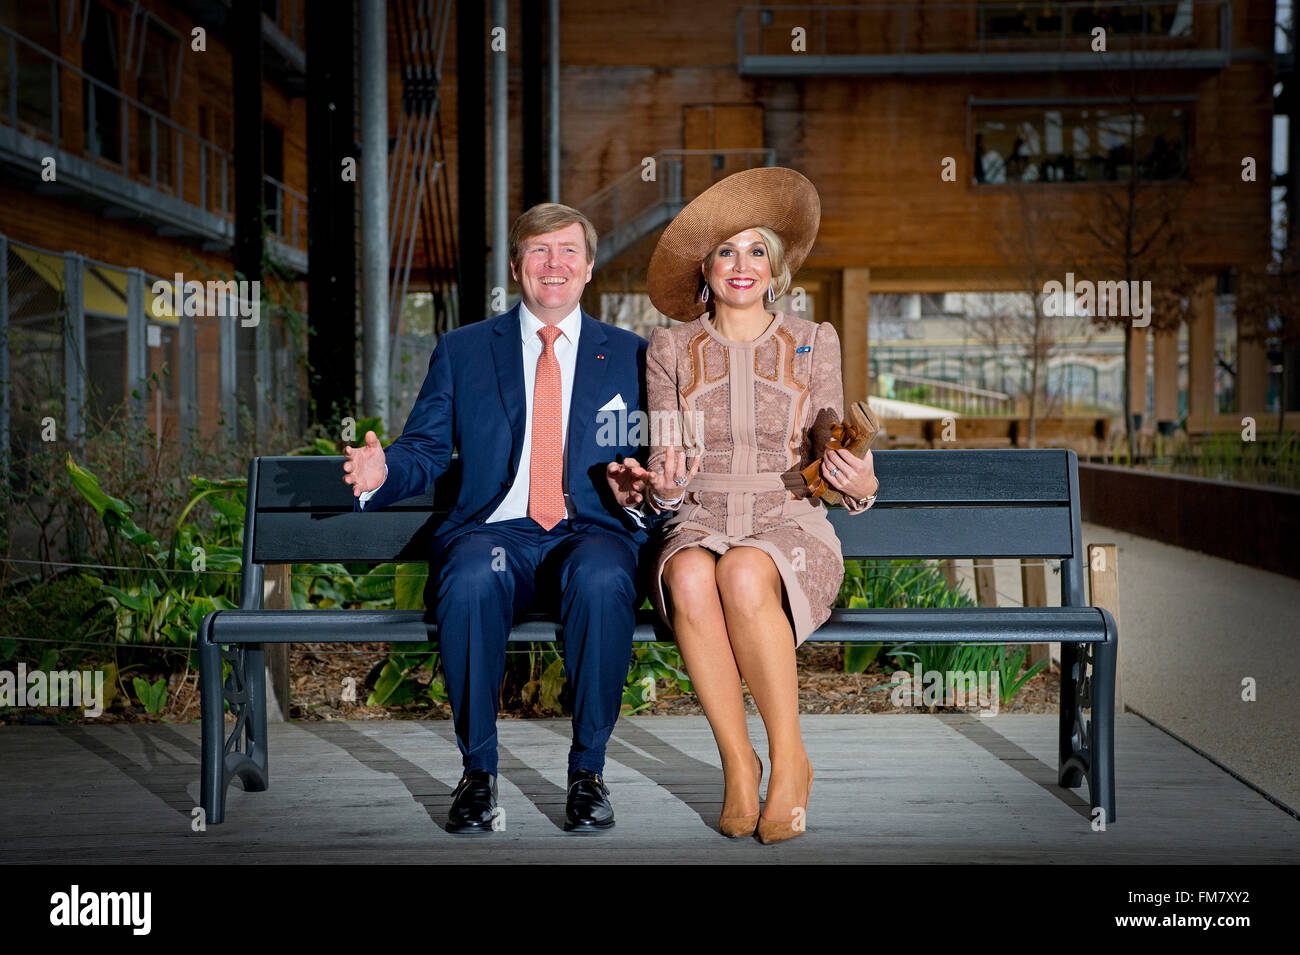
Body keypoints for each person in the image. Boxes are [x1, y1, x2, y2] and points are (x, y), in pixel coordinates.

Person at [343, 203, 662, 834]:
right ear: (517, 265)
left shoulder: (631, 356)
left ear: (589, 266)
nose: (554, 263)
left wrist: (643, 488)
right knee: (469, 577)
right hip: (495, 534)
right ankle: (478, 773)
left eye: (568, 250)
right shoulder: (463, 350)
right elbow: (427, 448)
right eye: (539, 250)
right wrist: (383, 473)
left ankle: (588, 772)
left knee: (601, 578)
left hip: (589, 530)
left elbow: (655, 456)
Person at [608, 167, 879, 844]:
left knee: (743, 571)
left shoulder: (813, 339)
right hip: (701, 518)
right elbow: (669, 472)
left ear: (776, 264)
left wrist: (860, 474)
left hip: (788, 519)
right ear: (704, 267)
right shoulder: (669, 347)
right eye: (725, 250)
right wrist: (659, 484)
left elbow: (829, 450)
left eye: (756, 249)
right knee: (693, 571)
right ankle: (738, 761)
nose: (741, 264)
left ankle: (790, 760)